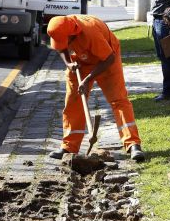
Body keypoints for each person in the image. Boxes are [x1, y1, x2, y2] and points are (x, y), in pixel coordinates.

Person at [46, 15, 145, 162]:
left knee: (118, 100)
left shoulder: (90, 32)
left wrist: (87, 80)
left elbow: (109, 58)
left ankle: (133, 144)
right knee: (73, 101)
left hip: (106, 60)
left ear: (73, 34)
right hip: (80, 63)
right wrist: (68, 63)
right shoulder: (60, 28)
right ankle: (69, 147)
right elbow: (61, 48)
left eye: (66, 40)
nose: (64, 44)